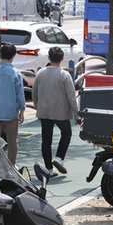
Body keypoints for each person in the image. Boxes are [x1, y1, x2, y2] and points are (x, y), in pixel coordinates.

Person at [32, 46, 80, 177]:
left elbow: (34, 93)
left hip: (44, 111)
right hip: (60, 111)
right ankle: (59, 158)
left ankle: (48, 169)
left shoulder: (40, 73)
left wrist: (38, 106)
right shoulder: (64, 75)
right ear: (62, 59)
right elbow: (71, 96)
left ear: (48, 57)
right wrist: (76, 114)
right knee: (66, 133)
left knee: (46, 139)